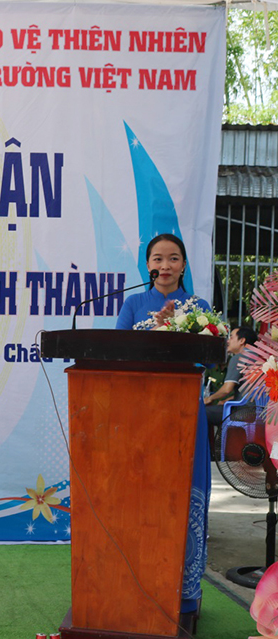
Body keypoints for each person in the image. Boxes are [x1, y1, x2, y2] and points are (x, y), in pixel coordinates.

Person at [115, 233, 210, 618]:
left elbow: (208, 361)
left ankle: (185, 597)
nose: (165, 266)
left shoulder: (199, 308)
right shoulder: (133, 303)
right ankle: (137, 586)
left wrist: (178, 329)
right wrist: (154, 327)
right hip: (142, 417)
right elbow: (116, 355)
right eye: (159, 258)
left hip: (186, 413)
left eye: (174, 259)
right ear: (148, 265)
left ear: (184, 265)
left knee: (184, 496)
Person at [205, 325, 257, 438]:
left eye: (232, 337)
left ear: (242, 341)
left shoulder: (239, 357)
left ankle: (209, 453)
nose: (228, 341)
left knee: (203, 413)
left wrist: (209, 398)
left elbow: (227, 389)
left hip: (243, 412)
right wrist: (227, 400)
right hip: (260, 411)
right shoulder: (259, 357)